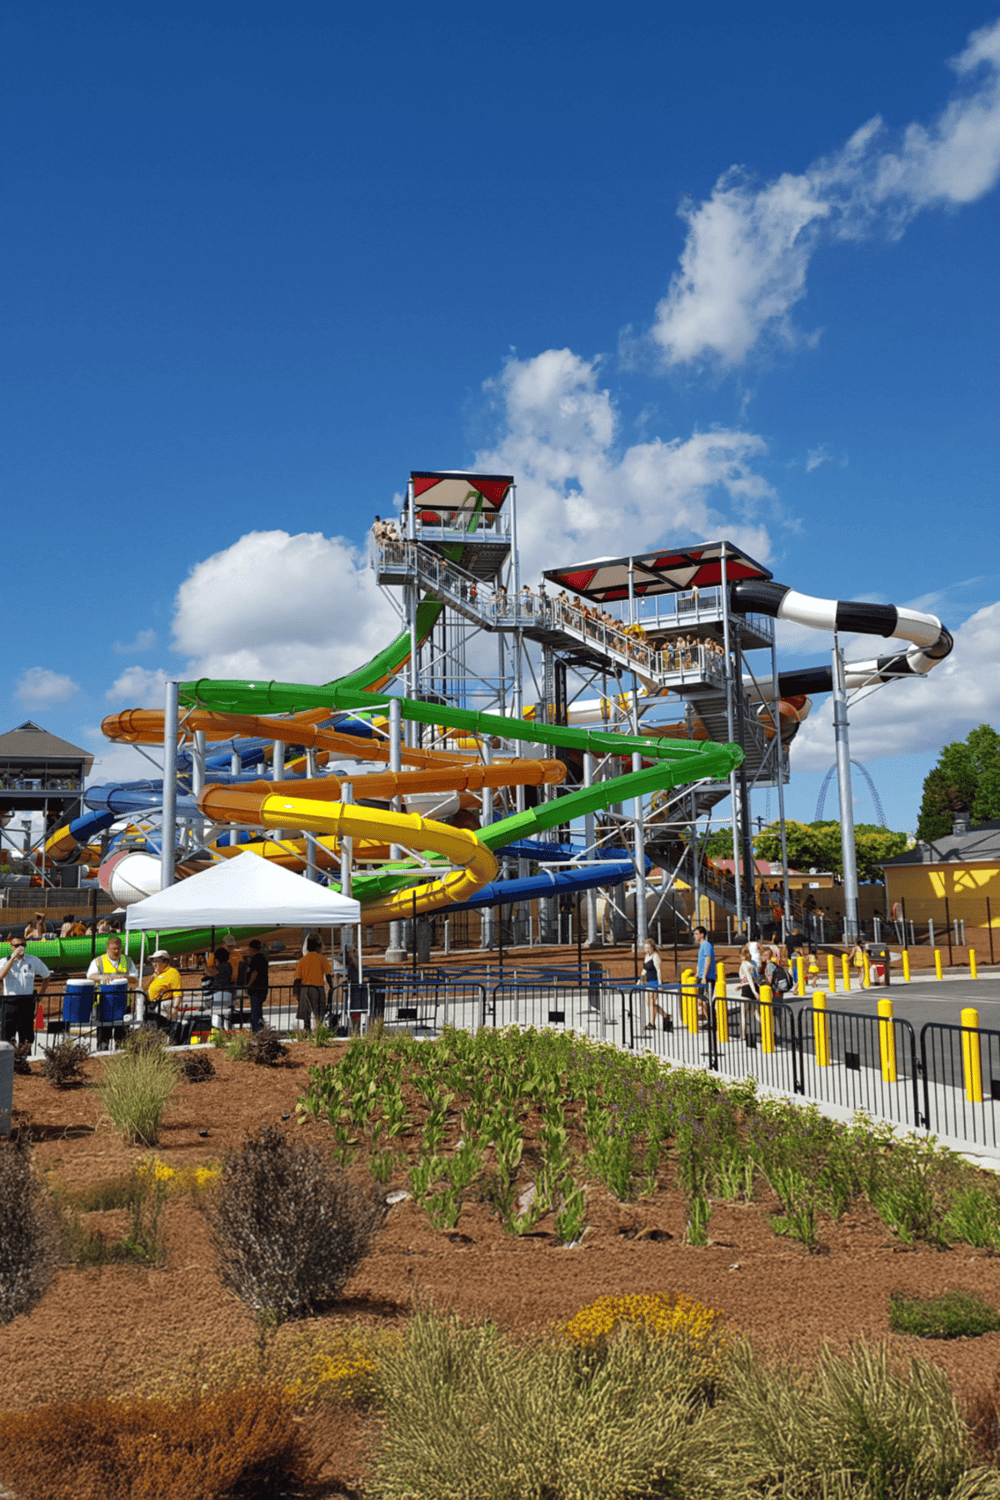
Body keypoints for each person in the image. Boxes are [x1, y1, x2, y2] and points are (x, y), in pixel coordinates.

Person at [0, 935, 50, 1045]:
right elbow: (1, 975)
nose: (20, 947)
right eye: (16, 945)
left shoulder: (33, 960)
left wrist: (41, 994)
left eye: (22, 945)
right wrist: (13, 959)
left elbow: (46, 976)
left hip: (26, 1002)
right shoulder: (4, 961)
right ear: (11, 946)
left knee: (27, 1035)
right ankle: (9, 1060)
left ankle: (24, 1058)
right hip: (9, 1002)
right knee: (7, 1035)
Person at [293, 936, 332, 1032]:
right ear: (318, 947)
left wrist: (296, 993)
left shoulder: (302, 960)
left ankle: (307, 1029)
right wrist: (331, 986)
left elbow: (297, 979)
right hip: (318, 989)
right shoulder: (322, 959)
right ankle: (319, 1031)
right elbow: (328, 975)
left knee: (306, 1012)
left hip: (305, 989)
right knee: (319, 1012)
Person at [146, 949, 187, 1040]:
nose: (154, 964)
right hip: (153, 1005)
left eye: (157, 961)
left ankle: (167, 1044)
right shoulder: (156, 974)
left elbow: (177, 992)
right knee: (156, 1027)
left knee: (164, 1028)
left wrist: (175, 1007)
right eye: (153, 961)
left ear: (165, 961)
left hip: (164, 1005)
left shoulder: (173, 973)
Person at [638, 938, 666, 1030]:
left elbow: (659, 970)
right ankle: (665, 1015)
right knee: (649, 1003)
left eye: (648, 948)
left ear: (653, 947)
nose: (647, 950)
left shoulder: (655, 956)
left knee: (652, 1002)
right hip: (649, 982)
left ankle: (652, 1023)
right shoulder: (647, 956)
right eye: (645, 948)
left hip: (655, 982)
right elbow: (645, 969)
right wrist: (639, 981)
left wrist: (660, 984)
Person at [205, 945, 236, 1028]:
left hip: (220, 993)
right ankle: (226, 1031)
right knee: (225, 1015)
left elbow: (211, 973)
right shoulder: (228, 965)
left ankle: (217, 1031)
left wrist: (204, 966)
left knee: (217, 1013)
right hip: (228, 993)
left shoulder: (221, 966)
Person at [245, 939, 269, 1033]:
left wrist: (248, 985)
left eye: (249, 949)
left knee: (255, 1013)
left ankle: (257, 1031)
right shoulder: (262, 958)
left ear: (252, 949)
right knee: (258, 1012)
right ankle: (259, 1030)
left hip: (257, 990)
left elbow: (255, 973)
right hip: (261, 989)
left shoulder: (257, 958)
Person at [694, 925, 716, 1024]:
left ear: (702, 935)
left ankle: (712, 1022)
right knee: (700, 1000)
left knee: (705, 1000)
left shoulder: (706, 945)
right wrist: (698, 973)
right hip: (702, 976)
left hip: (707, 977)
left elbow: (708, 959)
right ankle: (710, 1021)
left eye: (696, 934)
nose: (694, 936)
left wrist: (704, 976)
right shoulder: (702, 946)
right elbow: (701, 962)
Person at [737, 943, 759, 1041]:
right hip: (754, 985)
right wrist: (755, 990)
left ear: (742, 955)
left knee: (743, 1013)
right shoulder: (753, 963)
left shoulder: (744, 964)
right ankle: (767, 1029)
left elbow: (748, 978)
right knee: (756, 1013)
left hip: (747, 989)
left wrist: (753, 991)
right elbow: (754, 977)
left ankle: (743, 1034)